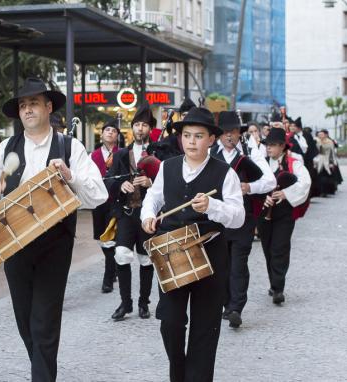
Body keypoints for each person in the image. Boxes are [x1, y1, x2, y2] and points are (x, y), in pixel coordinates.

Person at [0, 78, 107, 382]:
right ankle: (42, 370)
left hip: (55, 243)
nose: (28, 109)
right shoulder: (6, 149)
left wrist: (71, 177)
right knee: (25, 321)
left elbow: (98, 194)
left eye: (34, 103)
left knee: (44, 320)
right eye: (23, 105)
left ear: (48, 107)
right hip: (13, 242)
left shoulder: (71, 146)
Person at [141, 107, 245, 382]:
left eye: (199, 136)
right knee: (171, 323)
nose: (191, 141)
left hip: (210, 255)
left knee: (205, 328)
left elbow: (238, 217)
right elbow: (153, 197)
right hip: (172, 253)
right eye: (187, 135)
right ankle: (179, 374)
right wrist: (148, 216)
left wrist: (213, 205)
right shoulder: (168, 167)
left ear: (211, 139)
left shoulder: (225, 173)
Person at [210, 111, 276, 328]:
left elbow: (270, 181)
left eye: (235, 132)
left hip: (243, 218)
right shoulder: (211, 153)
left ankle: (236, 307)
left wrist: (250, 187)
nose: (230, 136)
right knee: (221, 264)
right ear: (219, 135)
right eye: (226, 132)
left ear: (240, 133)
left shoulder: (250, 151)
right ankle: (226, 304)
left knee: (239, 263)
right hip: (217, 219)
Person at [104, 101, 157, 321]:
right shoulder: (120, 155)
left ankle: (144, 303)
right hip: (126, 213)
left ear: (149, 129)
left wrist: (152, 182)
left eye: (144, 125)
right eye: (137, 124)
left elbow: (171, 181)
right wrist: (120, 186)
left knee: (146, 259)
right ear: (132, 127)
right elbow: (108, 183)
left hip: (148, 214)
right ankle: (125, 304)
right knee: (122, 255)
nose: (140, 129)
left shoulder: (158, 152)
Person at [258, 128, 311, 305]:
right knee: (267, 248)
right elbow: (253, 184)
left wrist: (286, 194)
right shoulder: (262, 163)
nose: (269, 148)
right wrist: (261, 197)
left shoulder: (293, 163)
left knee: (279, 248)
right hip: (264, 213)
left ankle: (278, 288)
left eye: (272, 145)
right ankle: (273, 283)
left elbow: (305, 182)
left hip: (284, 214)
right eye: (267, 145)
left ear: (282, 146)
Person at [91, 119, 120, 293]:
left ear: (117, 136)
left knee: (110, 239)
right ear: (101, 135)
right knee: (101, 239)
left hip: (116, 201)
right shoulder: (92, 156)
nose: (110, 132)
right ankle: (114, 266)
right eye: (107, 130)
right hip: (98, 202)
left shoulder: (123, 153)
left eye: (113, 130)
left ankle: (108, 278)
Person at [314, 129, 343, 196]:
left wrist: (332, 162)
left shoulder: (330, 142)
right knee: (319, 177)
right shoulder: (317, 142)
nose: (320, 136)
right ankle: (320, 191)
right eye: (319, 135)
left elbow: (332, 153)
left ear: (325, 135)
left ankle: (326, 191)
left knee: (326, 177)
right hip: (319, 161)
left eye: (321, 134)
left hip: (327, 161)